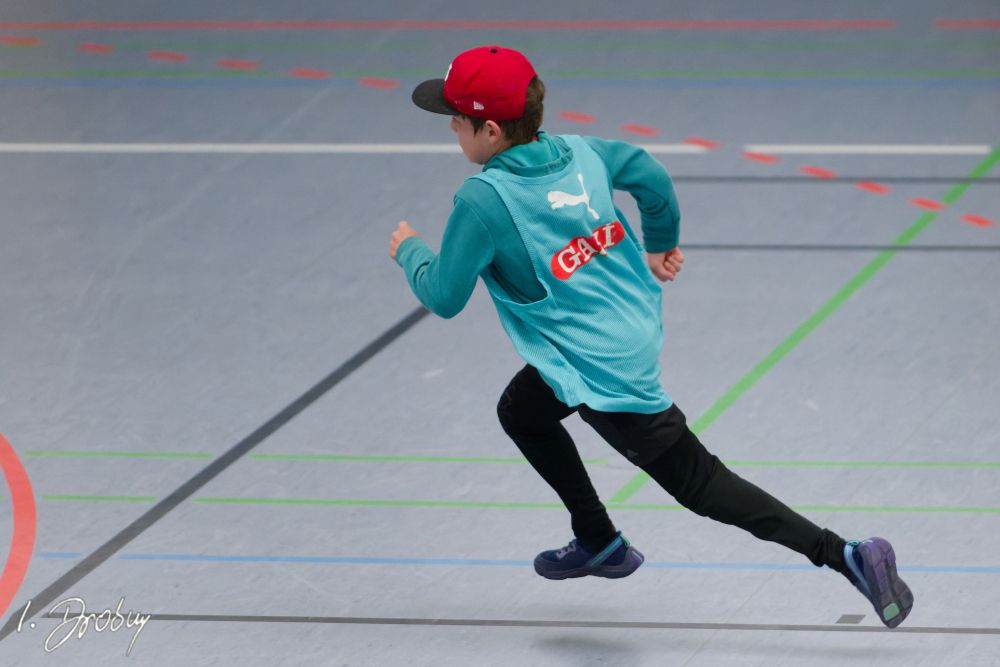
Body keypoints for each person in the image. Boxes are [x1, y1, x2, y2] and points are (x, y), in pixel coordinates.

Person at [390, 45, 913, 628]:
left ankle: (844, 554)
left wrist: (411, 251)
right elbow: (650, 175)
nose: (452, 128)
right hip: (618, 327)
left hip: (600, 362)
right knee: (522, 410)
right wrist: (661, 241)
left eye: (456, 119)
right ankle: (598, 539)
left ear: (490, 130)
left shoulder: (483, 200)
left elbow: (444, 296)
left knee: (701, 486)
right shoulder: (580, 152)